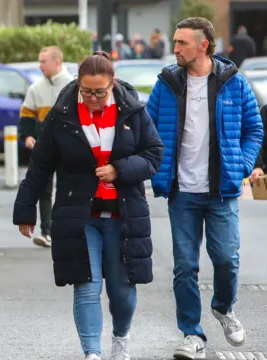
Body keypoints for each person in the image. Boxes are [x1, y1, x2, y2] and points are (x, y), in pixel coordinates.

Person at [13, 51, 164, 360]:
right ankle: (91, 353)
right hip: (79, 215)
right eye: (87, 91)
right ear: (78, 84)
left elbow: (154, 155)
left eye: (100, 91)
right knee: (86, 286)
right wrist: (25, 210)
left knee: (121, 292)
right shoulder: (63, 114)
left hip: (123, 214)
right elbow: (40, 165)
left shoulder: (132, 111)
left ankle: (121, 338)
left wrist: (119, 170)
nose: (93, 97)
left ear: (112, 84)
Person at [146, 17, 263, 359]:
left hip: (220, 191)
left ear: (203, 45)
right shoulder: (166, 83)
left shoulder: (233, 82)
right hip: (181, 192)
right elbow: (147, 130)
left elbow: (254, 130)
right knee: (185, 266)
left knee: (226, 259)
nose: (175, 48)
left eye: (182, 42)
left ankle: (224, 308)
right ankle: (191, 334)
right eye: (175, 41)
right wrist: (150, 168)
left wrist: (241, 165)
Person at [18, 46, 73, 248]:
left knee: (68, 188)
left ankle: (65, 230)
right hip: (45, 147)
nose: (40, 65)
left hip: (69, 147)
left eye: (43, 61)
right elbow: (26, 116)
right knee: (45, 190)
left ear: (57, 61)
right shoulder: (36, 88)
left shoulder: (72, 85)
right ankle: (47, 231)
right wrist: (27, 136)